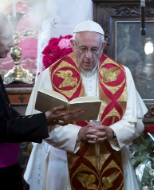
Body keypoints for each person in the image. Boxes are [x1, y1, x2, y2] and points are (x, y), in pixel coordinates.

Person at [24, 20, 147, 190]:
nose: (88, 56)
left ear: (103, 46)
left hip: (113, 158)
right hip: (64, 165)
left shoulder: (122, 74)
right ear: (73, 45)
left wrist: (112, 132)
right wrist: (78, 134)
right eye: (83, 49)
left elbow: (136, 122)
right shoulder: (49, 77)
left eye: (94, 49)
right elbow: (39, 125)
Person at [0, 13, 81, 189]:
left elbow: (7, 112)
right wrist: (44, 119)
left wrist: (38, 119)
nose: (12, 44)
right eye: (6, 38)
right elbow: (2, 128)